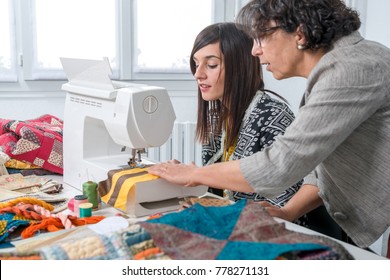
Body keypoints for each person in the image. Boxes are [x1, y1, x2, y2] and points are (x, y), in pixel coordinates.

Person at [149, 0, 390, 249]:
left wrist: (192, 174)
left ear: (299, 33)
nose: (255, 51)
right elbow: (319, 165)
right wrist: (286, 212)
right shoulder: (337, 70)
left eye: (261, 38)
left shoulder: (349, 71)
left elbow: (279, 166)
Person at [185, 22, 305, 210]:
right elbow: (218, 190)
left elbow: (284, 196)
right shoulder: (218, 118)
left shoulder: (273, 116)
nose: (198, 74)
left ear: (239, 66)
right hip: (234, 217)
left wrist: (195, 174)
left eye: (211, 64)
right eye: (196, 64)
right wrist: (185, 177)